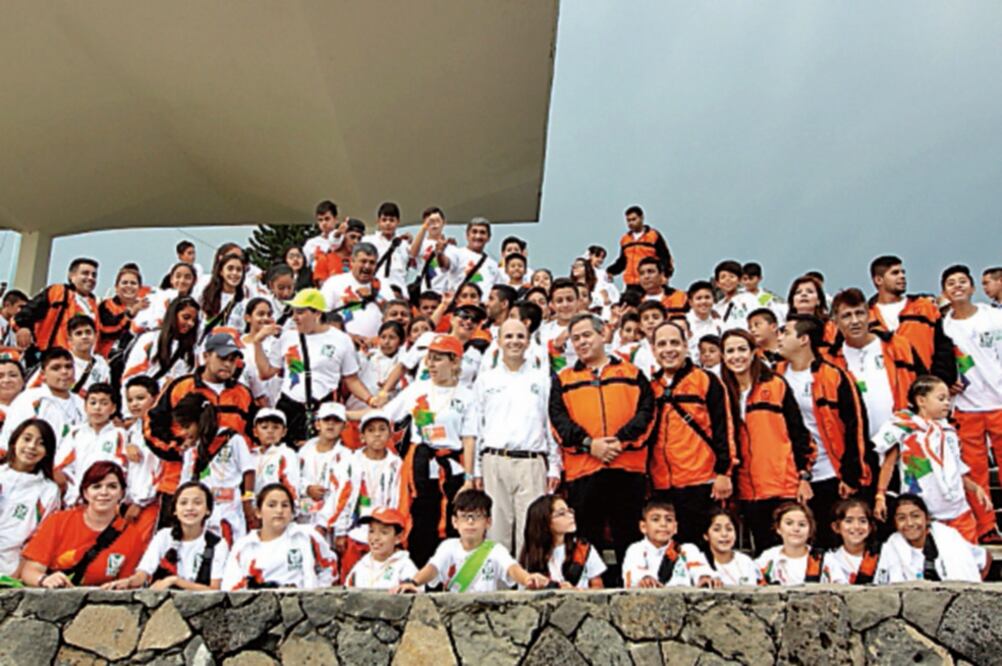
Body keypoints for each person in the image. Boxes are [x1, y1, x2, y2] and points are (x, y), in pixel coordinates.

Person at [550, 313, 655, 579]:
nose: (582, 342)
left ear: (603, 335)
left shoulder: (631, 374)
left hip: (627, 468)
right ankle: (590, 588)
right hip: (584, 470)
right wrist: (589, 444)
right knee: (586, 535)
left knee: (629, 534)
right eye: (576, 338)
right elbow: (558, 421)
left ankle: (633, 586)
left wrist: (620, 441)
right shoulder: (563, 380)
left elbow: (647, 413)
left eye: (587, 335)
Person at [379, 334, 479, 566]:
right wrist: (346, 415)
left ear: (454, 362)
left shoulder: (467, 395)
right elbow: (385, 415)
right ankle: (419, 569)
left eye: (438, 359)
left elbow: (469, 438)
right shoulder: (418, 389)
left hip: (452, 462)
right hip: (421, 462)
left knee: (453, 517)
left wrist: (469, 477)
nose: (431, 365)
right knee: (421, 515)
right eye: (429, 359)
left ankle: (451, 571)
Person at [777, 315, 873, 549]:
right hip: (793, 474)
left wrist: (850, 475)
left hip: (831, 472)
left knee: (832, 539)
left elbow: (856, 426)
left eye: (785, 332)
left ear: (803, 340)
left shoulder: (834, 375)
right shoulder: (775, 375)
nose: (779, 337)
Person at [720, 329, 813, 553]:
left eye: (742, 349)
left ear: (754, 352)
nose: (737, 356)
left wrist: (804, 475)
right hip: (747, 490)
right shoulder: (723, 392)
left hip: (782, 485)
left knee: (791, 549)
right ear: (723, 357)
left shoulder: (775, 385)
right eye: (730, 351)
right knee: (763, 553)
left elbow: (799, 433)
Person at [473, 319, 560, 555]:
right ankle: (497, 590)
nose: (514, 342)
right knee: (496, 532)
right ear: (499, 341)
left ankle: (528, 587)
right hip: (495, 460)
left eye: (520, 336)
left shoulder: (542, 379)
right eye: (509, 336)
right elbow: (477, 425)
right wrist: (476, 469)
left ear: (529, 341)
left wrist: (554, 465)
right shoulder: (486, 380)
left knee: (530, 531)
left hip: (531, 461)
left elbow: (549, 423)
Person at [251, 288, 378, 444]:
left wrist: (370, 399)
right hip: (290, 406)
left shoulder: (341, 339)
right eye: (293, 312)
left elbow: (351, 379)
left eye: (300, 312)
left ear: (317, 313)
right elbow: (266, 373)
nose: (295, 318)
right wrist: (257, 343)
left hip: (322, 406)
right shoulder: (287, 337)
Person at [873, 375, 989, 543]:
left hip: (957, 510)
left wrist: (975, 488)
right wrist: (880, 495)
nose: (947, 403)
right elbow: (888, 464)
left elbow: (955, 470)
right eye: (941, 398)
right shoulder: (903, 428)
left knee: (967, 560)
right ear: (921, 400)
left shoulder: (949, 431)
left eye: (949, 399)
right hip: (925, 513)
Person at [649, 321, 735, 545]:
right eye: (662, 344)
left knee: (701, 547)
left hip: (700, 480)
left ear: (686, 346)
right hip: (662, 484)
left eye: (675, 343)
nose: (669, 349)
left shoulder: (705, 380)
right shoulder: (651, 387)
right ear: (653, 350)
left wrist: (724, 472)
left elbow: (723, 427)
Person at [941, 264, 1002, 543]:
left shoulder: (994, 317)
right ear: (945, 291)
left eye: (962, 281)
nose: (957, 287)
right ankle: (986, 527)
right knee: (975, 471)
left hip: (999, 401)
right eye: (951, 283)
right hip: (966, 407)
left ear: (973, 287)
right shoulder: (944, 325)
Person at [21, 461, 151, 588]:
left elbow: (125, 584)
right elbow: (30, 572)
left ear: (121, 494)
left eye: (112, 486)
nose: (104, 492)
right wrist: (45, 580)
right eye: (96, 486)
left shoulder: (131, 536)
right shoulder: (58, 521)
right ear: (85, 493)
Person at [392, 489, 549, 593]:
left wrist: (528, 579)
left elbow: (513, 569)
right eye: (465, 516)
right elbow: (433, 568)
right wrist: (413, 582)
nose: (470, 522)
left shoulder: (496, 550)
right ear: (454, 522)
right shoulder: (448, 547)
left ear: (488, 522)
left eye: (477, 516)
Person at [829, 288, 923, 441]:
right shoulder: (831, 360)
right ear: (835, 322)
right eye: (846, 316)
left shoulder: (898, 346)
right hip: (859, 450)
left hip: (904, 441)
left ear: (869, 315)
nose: (855, 321)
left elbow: (924, 388)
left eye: (859, 313)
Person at [106, 482, 229, 590]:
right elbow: (143, 574)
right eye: (183, 503)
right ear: (175, 510)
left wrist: (174, 581)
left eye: (197, 503)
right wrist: (127, 582)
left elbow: (215, 589)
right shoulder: (164, 537)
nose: (190, 508)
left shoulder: (217, 544)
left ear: (208, 510)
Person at [322, 410, 402, 576]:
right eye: (371, 430)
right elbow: (342, 497)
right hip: (355, 531)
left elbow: (397, 499)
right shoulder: (351, 461)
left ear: (389, 434)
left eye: (382, 429)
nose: (377, 435)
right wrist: (340, 531)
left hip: (384, 534)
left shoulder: (395, 464)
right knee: (352, 577)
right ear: (362, 436)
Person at [222, 483, 338, 589]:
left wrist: (318, 592)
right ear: (258, 512)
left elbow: (329, 566)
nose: (279, 510)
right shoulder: (244, 546)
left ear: (292, 512)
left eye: (285, 505)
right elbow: (230, 586)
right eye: (272, 505)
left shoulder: (306, 536)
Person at [868, 255, 955, 379]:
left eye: (903, 272)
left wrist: (940, 379)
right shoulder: (866, 317)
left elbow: (943, 346)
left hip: (925, 387)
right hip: (887, 389)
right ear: (878, 280)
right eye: (895, 273)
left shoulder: (924, 307)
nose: (902, 276)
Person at [875, 494, 989, 583]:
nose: (909, 523)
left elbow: (985, 557)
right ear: (895, 523)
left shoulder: (949, 537)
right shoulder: (892, 546)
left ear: (927, 518)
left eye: (915, 516)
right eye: (901, 518)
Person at [0, 419, 60, 577]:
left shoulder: (48, 491)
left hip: (10, 571)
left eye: (41, 443)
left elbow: (42, 537)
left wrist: (22, 569)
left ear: (47, 451)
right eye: (26, 439)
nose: (31, 447)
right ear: (14, 441)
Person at [54, 383, 127, 506]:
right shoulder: (75, 433)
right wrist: (73, 493)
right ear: (85, 406)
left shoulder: (120, 435)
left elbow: (121, 468)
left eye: (104, 403)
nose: (97, 408)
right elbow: (62, 466)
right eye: (93, 403)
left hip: (106, 500)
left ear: (113, 408)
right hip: (75, 500)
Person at [0, 348, 84, 454]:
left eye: (68, 367)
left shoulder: (81, 403)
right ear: (43, 375)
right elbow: (12, 439)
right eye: (56, 368)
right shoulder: (30, 399)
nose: (64, 372)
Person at [518, 495, 605, 589]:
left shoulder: (583, 549)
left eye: (570, 511)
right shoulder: (530, 556)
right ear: (545, 522)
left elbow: (598, 587)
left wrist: (576, 591)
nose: (570, 516)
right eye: (561, 513)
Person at [15, 258, 99, 355]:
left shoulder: (94, 303)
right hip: (55, 356)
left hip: (84, 359)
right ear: (72, 276)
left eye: (94, 275)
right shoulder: (58, 292)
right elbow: (26, 313)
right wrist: (24, 328)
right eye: (85, 273)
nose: (90, 278)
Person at [121, 296, 200, 390]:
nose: (190, 323)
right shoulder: (149, 339)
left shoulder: (192, 350)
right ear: (173, 315)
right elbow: (129, 378)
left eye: (194, 320)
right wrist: (161, 384)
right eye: (186, 317)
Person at [297, 402, 351, 529]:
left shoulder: (347, 456)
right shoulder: (304, 451)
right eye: (326, 420)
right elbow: (293, 478)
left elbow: (343, 492)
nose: (331, 424)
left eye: (337, 421)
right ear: (317, 424)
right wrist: (307, 488)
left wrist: (324, 523)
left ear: (344, 426)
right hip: (303, 516)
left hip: (329, 521)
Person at [320, 242, 388, 341]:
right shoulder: (334, 283)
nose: (367, 266)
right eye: (363, 261)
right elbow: (322, 317)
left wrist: (375, 297)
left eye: (372, 262)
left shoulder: (383, 284)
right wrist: (349, 337)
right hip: (342, 343)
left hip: (378, 347)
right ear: (352, 261)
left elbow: (393, 315)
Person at [344, 507, 418, 589]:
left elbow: (414, 596)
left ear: (398, 538)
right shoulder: (361, 565)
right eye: (371, 531)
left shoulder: (405, 567)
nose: (375, 538)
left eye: (384, 532)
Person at [685, 508, 761, 587]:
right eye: (717, 529)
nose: (724, 534)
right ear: (706, 535)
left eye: (729, 529)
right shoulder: (697, 560)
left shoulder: (746, 562)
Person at [621, 499, 688, 588]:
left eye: (669, 519)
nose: (663, 524)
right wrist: (645, 578)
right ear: (643, 527)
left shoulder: (686, 550)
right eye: (656, 519)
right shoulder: (635, 549)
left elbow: (699, 569)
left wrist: (703, 576)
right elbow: (633, 571)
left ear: (675, 527)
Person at [756, 502, 824, 585]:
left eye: (802, 524)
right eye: (789, 523)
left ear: (810, 531)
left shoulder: (822, 560)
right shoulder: (767, 558)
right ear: (778, 528)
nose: (796, 529)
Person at [605, 205, 673, 288]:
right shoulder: (625, 239)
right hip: (631, 283)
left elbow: (665, 257)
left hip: (650, 282)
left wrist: (665, 275)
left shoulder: (653, 236)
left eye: (634, 219)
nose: (631, 223)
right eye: (628, 220)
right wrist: (610, 271)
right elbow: (623, 261)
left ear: (641, 218)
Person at [821, 498, 881, 584]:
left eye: (862, 521)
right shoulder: (830, 559)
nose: (856, 526)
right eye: (849, 521)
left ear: (870, 527)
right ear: (836, 527)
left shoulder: (881, 556)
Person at [362, 202, 411, 298]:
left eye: (392, 220)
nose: (388, 223)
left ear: (398, 222)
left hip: (399, 290)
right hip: (377, 290)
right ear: (378, 222)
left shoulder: (404, 244)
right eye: (384, 220)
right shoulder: (369, 241)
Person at [96, 265, 148, 357]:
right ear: (116, 287)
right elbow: (107, 330)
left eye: (133, 283)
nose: (129, 286)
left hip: (136, 359)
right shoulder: (106, 305)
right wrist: (130, 315)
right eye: (124, 282)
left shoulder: (146, 307)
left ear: (140, 288)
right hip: (108, 358)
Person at [408, 207, 460, 296]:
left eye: (437, 221)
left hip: (445, 293)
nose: (434, 225)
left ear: (444, 222)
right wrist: (424, 227)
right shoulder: (421, 243)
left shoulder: (451, 247)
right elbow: (412, 253)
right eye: (430, 222)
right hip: (426, 292)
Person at [196, 252, 247, 336]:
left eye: (239, 270)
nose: (234, 273)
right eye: (230, 269)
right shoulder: (205, 297)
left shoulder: (244, 303)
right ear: (221, 272)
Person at [252, 409, 300, 498]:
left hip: (275, 505)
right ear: (255, 432)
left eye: (276, 427)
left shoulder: (287, 454)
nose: (270, 431)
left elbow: (292, 485)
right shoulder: (250, 455)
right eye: (264, 427)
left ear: (284, 432)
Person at [448, 217, 501, 296]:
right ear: (467, 235)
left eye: (482, 232)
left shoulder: (493, 264)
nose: (478, 236)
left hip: (482, 307)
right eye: (474, 232)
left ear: (488, 237)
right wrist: (439, 253)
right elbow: (444, 265)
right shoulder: (457, 254)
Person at [787, 275, 838, 356]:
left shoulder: (831, 327)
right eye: (798, 292)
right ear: (792, 302)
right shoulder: (783, 331)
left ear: (819, 301)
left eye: (810, 291)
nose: (803, 294)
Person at [712, 261, 758, 330]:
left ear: (739, 280)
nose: (728, 280)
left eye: (732, 276)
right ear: (717, 283)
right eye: (723, 277)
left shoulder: (749, 299)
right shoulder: (717, 307)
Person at [685, 281, 722, 361]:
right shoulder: (684, 323)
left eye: (707, 297)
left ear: (713, 299)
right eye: (699, 298)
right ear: (690, 302)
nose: (703, 302)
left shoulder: (719, 325)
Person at [0, 352, 25, 438]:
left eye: (13, 375)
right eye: (0, 376)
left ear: (23, 381)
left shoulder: (38, 409)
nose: (6, 380)